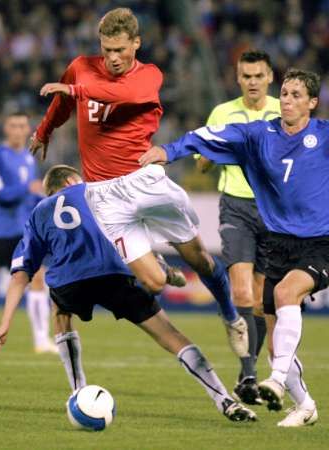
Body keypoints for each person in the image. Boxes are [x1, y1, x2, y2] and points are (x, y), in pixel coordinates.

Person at [29, 7, 248, 357]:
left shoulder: (149, 75)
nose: (113, 57)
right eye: (107, 49)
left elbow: (122, 96)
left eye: (121, 50)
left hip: (145, 182)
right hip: (104, 193)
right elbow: (62, 102)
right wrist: (45, 130)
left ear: (136, 43)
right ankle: (161, 268)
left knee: (201, 260)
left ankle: (230, 315)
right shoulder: (81, 68)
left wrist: (76, 90)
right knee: (154, 284)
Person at [0, 165, 257, 424]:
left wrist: (4, 324)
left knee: (61, 310)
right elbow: (131, 234)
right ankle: (223, 399)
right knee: (170, 335)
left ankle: (78, 391)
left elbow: (20, 275)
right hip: (114, 274)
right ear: (72, 181)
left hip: (70, 282)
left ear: (52, 190)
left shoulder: (38, 212)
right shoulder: (100, 192)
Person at [139, 68, 325, 428]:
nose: (287, 100)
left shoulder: (325, 135)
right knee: (274, 342)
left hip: (321, 242)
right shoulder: (258, 135)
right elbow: (205, 136)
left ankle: (273, 379)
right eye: (284, 93)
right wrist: (168, 150)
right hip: (277, 244)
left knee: (288, 293)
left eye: (296, 95)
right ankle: (304, 405)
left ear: (312, 103)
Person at [195, 51, 280, 405]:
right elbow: (201, 164)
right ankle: (248, 374)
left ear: (270, 76)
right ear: (238, 78)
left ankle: (251, 373)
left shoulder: (284, 109)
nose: (253, 82)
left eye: (258, 75)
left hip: (275, 211)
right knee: (242, 294)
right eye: (246, 76)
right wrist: (212, 152)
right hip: (236, 207)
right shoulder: (222, 113)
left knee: (261, 301)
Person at [0, 112, 56, 354]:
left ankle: (42, 340)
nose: (18, 130)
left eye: (22, 125)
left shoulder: (28, 157)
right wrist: (27, 187)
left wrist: (42, 196)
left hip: (22, 229)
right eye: (13, 125)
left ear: (27, 129)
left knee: (38, 277)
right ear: (6, 129)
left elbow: (27, 194)